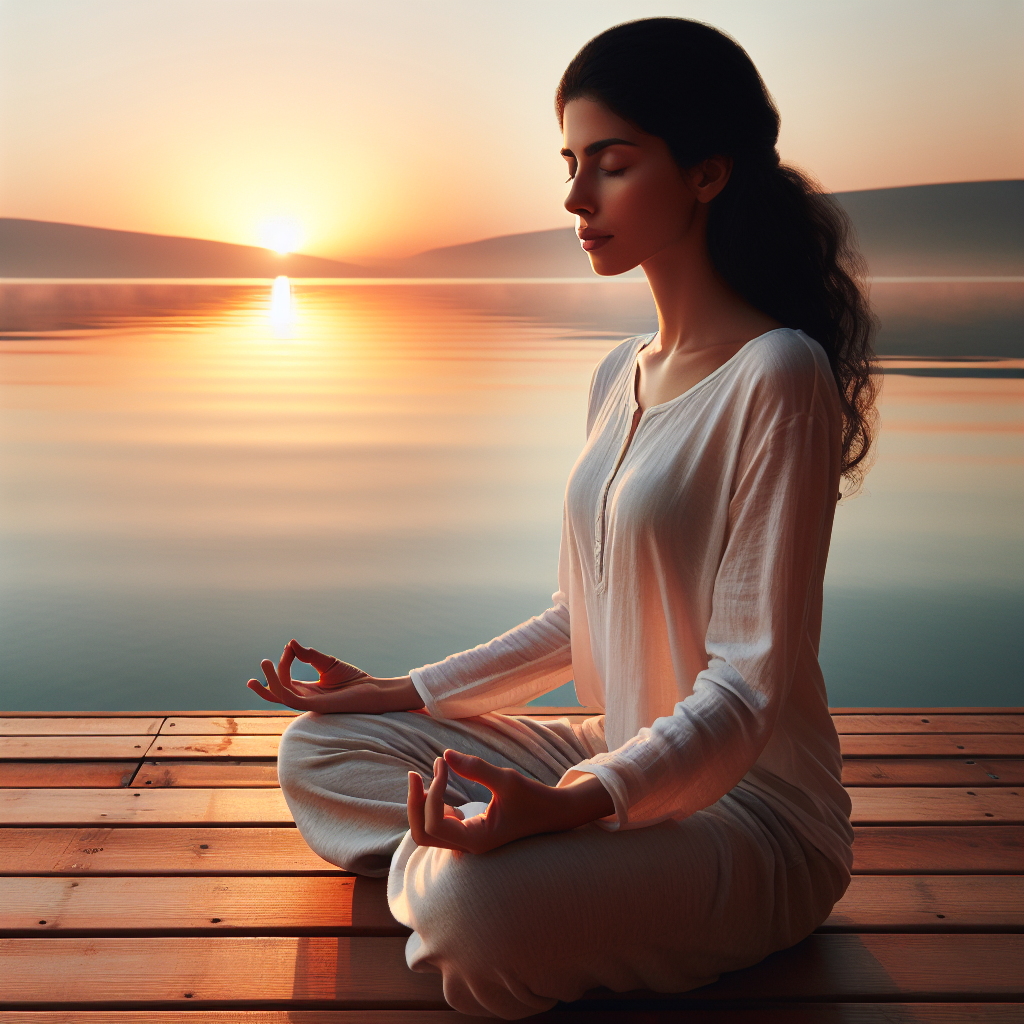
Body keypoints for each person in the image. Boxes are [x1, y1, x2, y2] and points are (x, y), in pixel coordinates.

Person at [247, 16, 877, 1020]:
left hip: (754, 815)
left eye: (612, 165)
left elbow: (749, 686)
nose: (576, 197)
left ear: (707, 174)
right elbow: (573, 619)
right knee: (319, 753)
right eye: (572, 163)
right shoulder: (617, 373)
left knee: (472, 912)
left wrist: (571, 804)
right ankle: (517, 850)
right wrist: (398, 690)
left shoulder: (779, 374)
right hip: (612, 750)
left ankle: (488, 866)